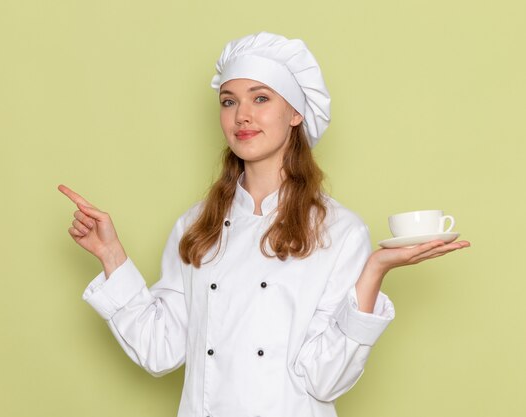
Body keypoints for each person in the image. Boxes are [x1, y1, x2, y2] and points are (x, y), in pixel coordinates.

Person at [58, 32, 470, 417]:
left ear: (295, 113)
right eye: (228, 101)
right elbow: (159, 351)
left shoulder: (340, 231)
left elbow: (326, 380)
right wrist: (111, 255)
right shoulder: (196, 225)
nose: (242, 116)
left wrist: (375, 269)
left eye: (260, 98)